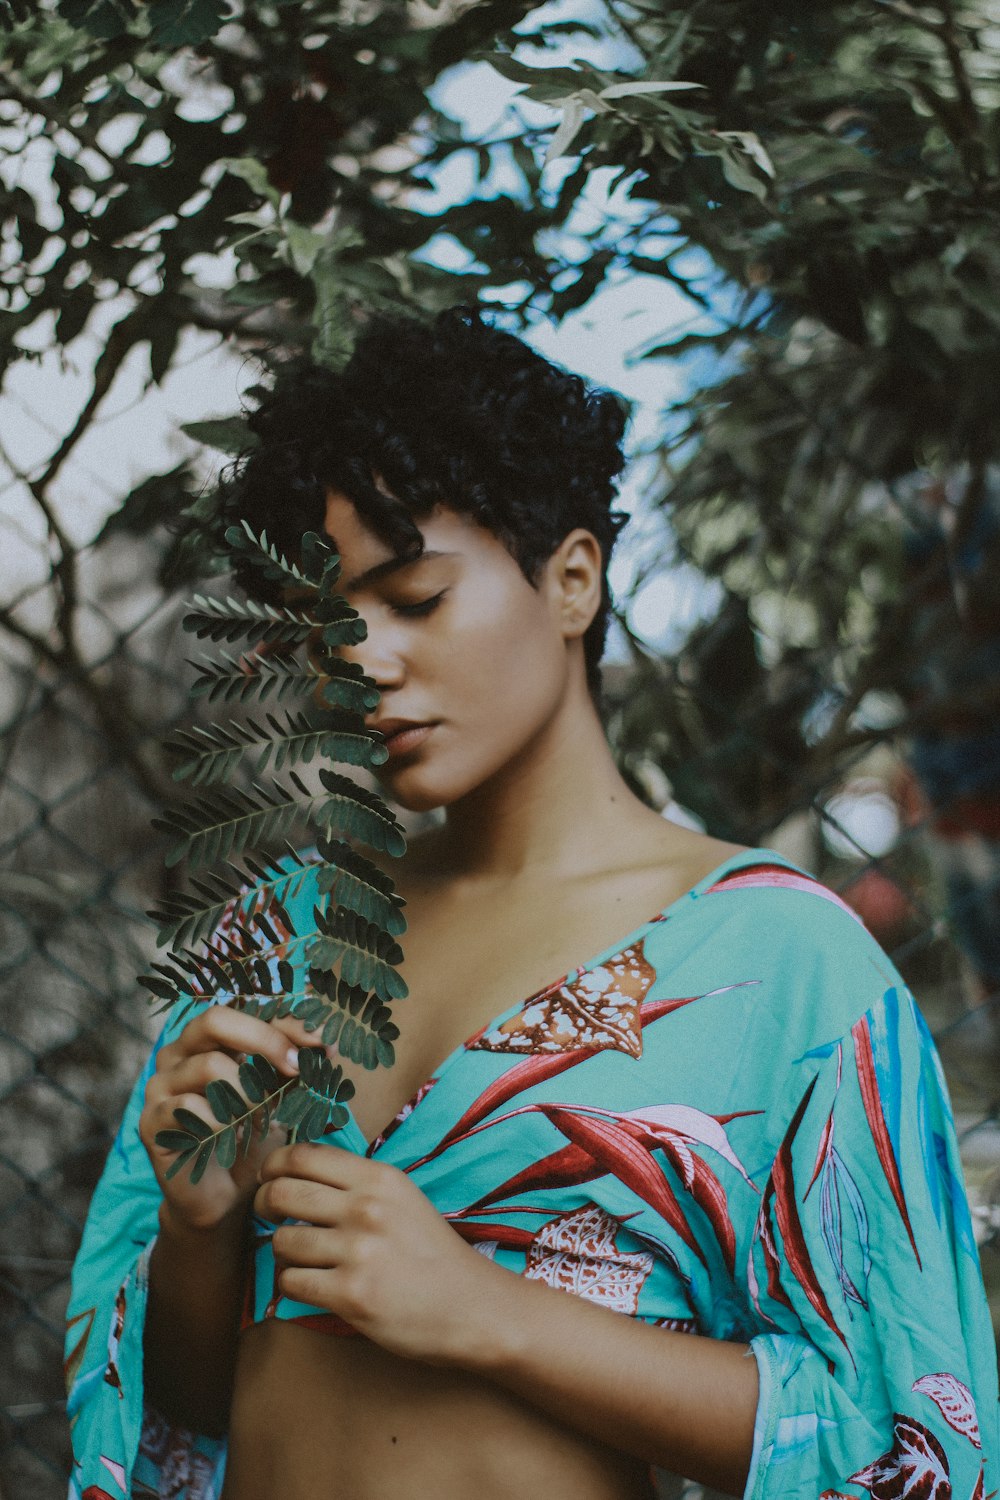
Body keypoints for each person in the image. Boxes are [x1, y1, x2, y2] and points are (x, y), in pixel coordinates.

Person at [66, 309, 999, 1500]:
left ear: (572, 580)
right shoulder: (279, 936)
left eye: (412, 600)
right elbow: (185, 1411)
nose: (363, 664)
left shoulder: (775, 957)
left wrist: (487, 1314)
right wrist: (198, 1234)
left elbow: (894, 1434)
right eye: (326, 630)